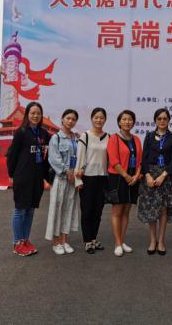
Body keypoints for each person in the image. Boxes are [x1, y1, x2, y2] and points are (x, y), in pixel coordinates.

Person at [6, 101, 51, 256]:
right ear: (27, 114)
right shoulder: (21, 132)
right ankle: (17, 243)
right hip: (22, 176)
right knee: (20, 210)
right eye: (32, 113)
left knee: (30, 210)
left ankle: (25, 239)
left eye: (38, 113)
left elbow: (53, 148)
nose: (35, 116)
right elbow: (12, 155)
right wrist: (11, 175)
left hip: (36, 178)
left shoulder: (44, 133)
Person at [138, 108, 172, 255]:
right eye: (159, 118)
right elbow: (144, 158)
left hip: (165, 176)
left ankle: (161, 240)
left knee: (163, 209)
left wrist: (163, 175)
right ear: (155, 120)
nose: (162, 121)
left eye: (164, 118)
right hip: (150, 176)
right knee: (152, 208)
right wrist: (147, 175)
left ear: (169, 120)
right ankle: (152, 240)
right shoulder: (149, 136)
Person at [106, 110, 143, 257]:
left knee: (126, 212)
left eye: (130, 119)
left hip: (133, 179)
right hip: (118, 179)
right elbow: (114, 161)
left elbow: (140, 160)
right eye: (124, 119)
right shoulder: (114, 138)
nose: (127, 122)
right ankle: (117, 243)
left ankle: (122, 241)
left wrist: (137, 175)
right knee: (117, 212)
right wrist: (127, 176)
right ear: (119, 122)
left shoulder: (137, 139)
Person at [45, 109, 82, 255]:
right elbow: (53, 158)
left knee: (69, 209)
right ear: (62, 119)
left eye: (73, 119)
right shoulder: (56, 138)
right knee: (57, 209)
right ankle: (56, 243)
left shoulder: (76, 138)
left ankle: (65, 240)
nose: (70, 121)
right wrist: (67, 172)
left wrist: (77, 172)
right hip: (61, 178)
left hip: (73, 179)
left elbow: (81, 157)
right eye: (68, 118)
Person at [75, 107, 109, 254]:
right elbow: (80, 159)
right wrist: (78, 180)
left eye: (101, 118)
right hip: (88, 178)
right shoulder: (85, 136)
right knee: (87, 210)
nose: (99, 120)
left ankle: (94, 238)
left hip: (103, 178)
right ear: (91, 119)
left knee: (98, 211)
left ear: (105, 120)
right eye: (96, 117)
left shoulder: (109, 137)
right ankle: (87, 241)